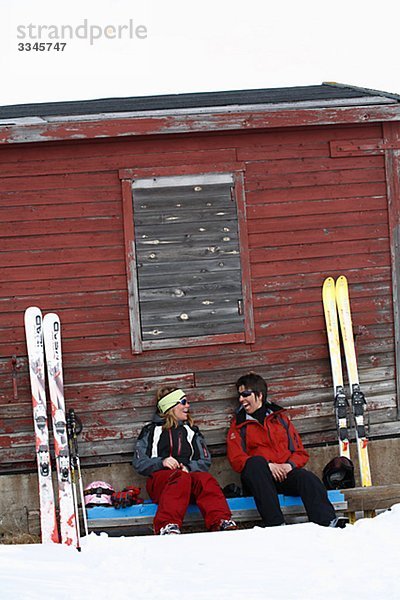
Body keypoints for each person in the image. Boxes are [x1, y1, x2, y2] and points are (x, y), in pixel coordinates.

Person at [227, 372, 346, 528]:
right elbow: (236, 459)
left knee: (307, 478)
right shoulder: (239, 425)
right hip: (258, 480)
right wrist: (268, 466)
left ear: (259, 395)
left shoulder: (280, 419)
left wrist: (288, 466)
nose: (241, 399)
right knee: (256, 464)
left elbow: (300, 453)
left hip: (284, 474)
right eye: (239, 395)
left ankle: (327, 521)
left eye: (245, 394)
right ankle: (276, 524)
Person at [133, 386, 237, 535]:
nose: (187, 406)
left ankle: (220, 521)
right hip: (162, 482)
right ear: (171, 406)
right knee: (179, 477)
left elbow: (205, 459)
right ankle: (167, 525)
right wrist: (161, 462)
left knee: (205, 479)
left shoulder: (192, 431)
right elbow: (139, 462)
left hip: (188, 478)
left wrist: (188, 467)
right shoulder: (151, 431)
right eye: (183, 402)